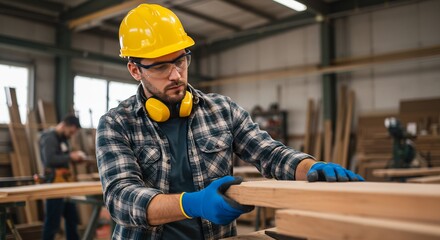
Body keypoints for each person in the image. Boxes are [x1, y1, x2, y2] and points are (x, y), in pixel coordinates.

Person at [96, 4, 364, 239]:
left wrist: (313, 168)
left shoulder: (222, 110)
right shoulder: (116, 124)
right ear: (135, 70)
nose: (176, 74)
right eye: (160, 67)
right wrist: (192, 204)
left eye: (181, 60)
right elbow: (120, 199)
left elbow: (269, 154)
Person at [39, 114, 85, 240]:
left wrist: (75, 159)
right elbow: (49, 160)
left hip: (65, 182)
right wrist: (70, 156)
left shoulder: (63, 139)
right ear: (64, 125)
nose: (71, 135)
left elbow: (63, 157)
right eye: (71, 132)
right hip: (53, 182)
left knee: (72, 220)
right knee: (52, 222)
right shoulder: (49, 138)